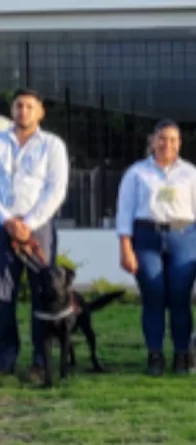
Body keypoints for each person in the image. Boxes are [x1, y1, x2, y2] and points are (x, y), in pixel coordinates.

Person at [115, 119, 196, 376]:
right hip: (147, 237)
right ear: (152, 140)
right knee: (154, 296)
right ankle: (155, 354)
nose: (166, 144)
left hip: (184, 237)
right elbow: (124, 212)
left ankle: (182, 354)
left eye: (172, 139)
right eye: (162, 138)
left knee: (181, 298)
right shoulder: (137, 173)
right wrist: (125, 247)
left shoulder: (191, 174)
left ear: (180, 143)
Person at [0, 88, 70, 382]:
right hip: (2, 225)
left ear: (40, 112)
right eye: (19, 105)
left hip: (38, 228)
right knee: (2, 294)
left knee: (45, 294)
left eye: (30, 106)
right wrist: (9, 221)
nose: (23, 111)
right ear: (12, 109)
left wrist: (28, 224)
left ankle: (41, 362)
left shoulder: (52, 145)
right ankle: (5, 356)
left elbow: (56, 189)